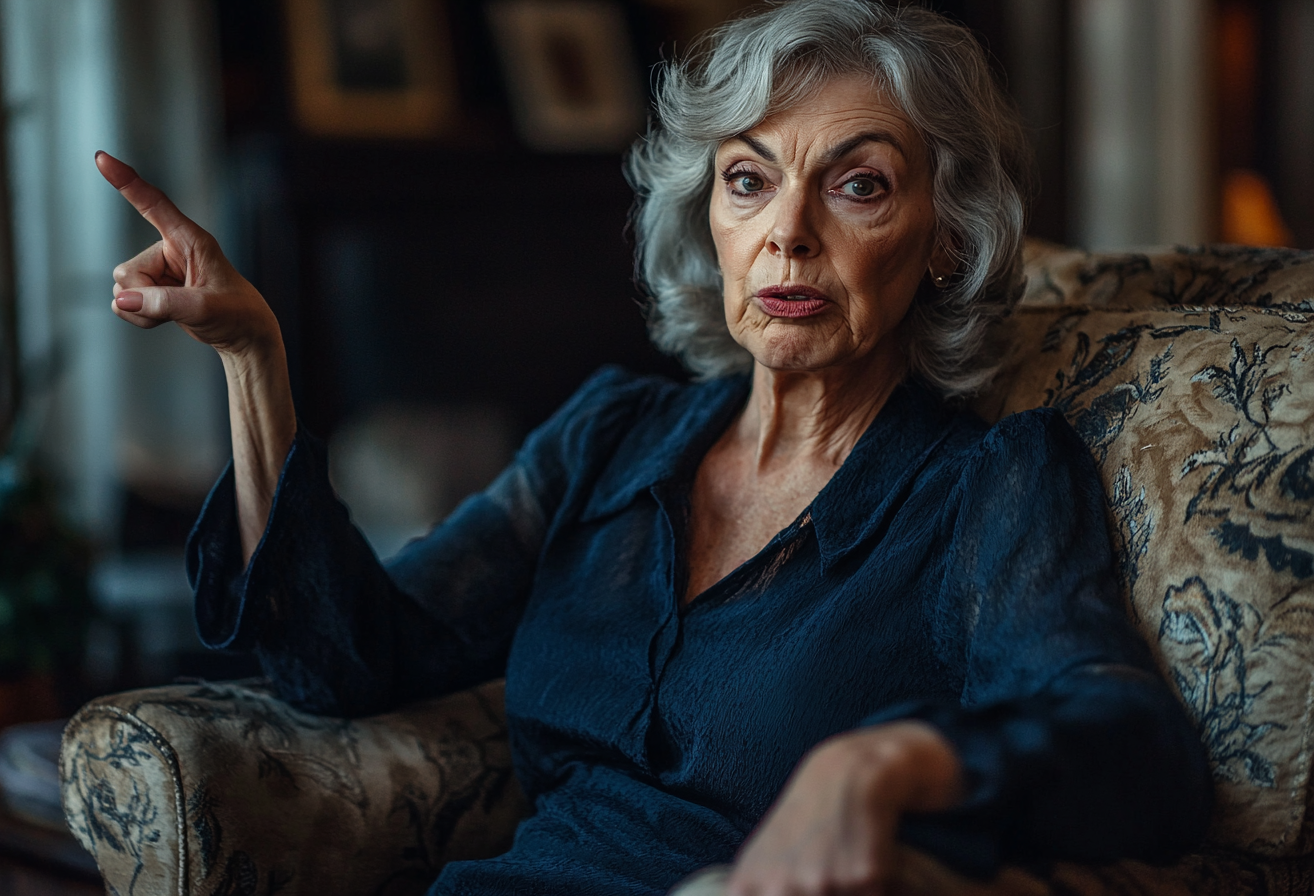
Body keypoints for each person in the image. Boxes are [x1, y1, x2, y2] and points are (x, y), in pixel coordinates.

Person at [95, 1, 1212, 893]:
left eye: (858, 183)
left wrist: (887, 762)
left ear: (945, 241)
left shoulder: (991, 485)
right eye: (748, 179)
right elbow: (351, 660)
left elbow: (1135, 755)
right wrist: (255, 359)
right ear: (710, 221)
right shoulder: (609, 436)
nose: (788, 229)